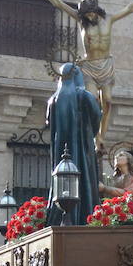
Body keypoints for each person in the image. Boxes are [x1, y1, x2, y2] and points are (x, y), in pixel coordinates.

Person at [27, 0, 133, 150]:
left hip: (106, 66)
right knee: (93, 100)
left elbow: (130, 8)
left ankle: (101, 137)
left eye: (92, 13)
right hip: (89, 67)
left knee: (108, 101)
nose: (90, 16)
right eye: (87, 14)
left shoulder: (108, 20)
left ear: (97, 11)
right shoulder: (82, 23)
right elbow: (59, 4)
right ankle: (93, 134)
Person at [46, 63, 103, 221]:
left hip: (60, 153)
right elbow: (97, 117)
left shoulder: (53, 100)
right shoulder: (85, 96)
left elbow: (48, 122)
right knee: (85, 180)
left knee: (61, 181)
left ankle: (60, 216)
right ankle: (86, 215)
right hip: (83, 148)